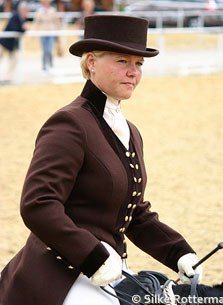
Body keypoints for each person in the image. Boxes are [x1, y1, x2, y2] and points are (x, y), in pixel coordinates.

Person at [0, 15, 202, 305]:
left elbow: (133, 213)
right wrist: (91, 256)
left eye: (139, 64)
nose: (133, 72)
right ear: (91, 62)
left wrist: (178, 252)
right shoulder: (69, 123)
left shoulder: (130, 131)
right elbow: (38, 204)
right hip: (62, 272)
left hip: (109, 270)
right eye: (122, 61)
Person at [0, 1, 29, 83]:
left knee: (14, 60)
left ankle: (8, 77)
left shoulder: (22, 18)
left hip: (12, 45)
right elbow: (15, 29)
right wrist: (23, 28)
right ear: (22, 10)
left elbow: (21, 31)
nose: (26, 12)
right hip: (4, 42)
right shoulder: (15, 16)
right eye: (25, 10)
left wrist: (23, 28)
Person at [34, 0, 60, 72]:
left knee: (49, 50)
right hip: (43, 32)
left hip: (51, 32)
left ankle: (50, 64)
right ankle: (44, 66)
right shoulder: (39, 10)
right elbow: (37, 22)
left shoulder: (53, 10)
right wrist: (34, 32)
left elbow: (56, 22)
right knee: (45, 50)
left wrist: (57, 32)